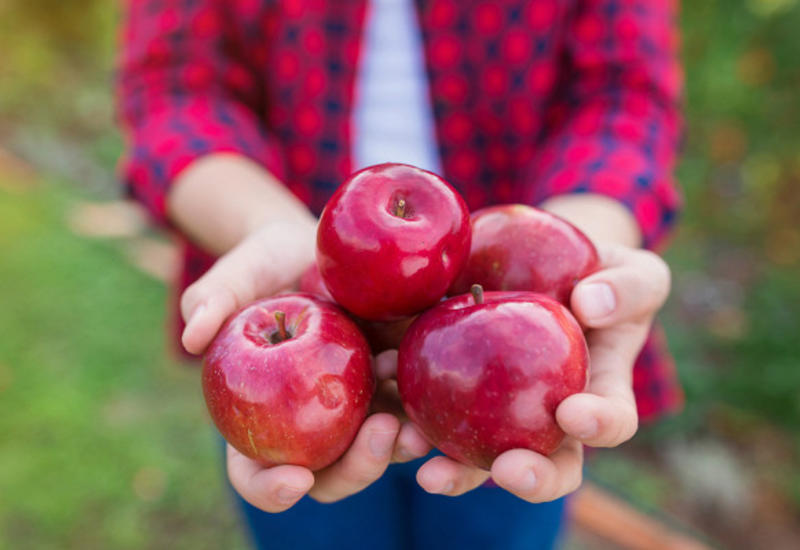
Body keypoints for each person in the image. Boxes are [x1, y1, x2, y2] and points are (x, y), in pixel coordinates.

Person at [117, 0, 684, 548]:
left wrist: (571, 251)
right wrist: (266, 226)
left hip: (513, 365)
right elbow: (175, 90)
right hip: (297, 337)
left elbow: (622, 94)